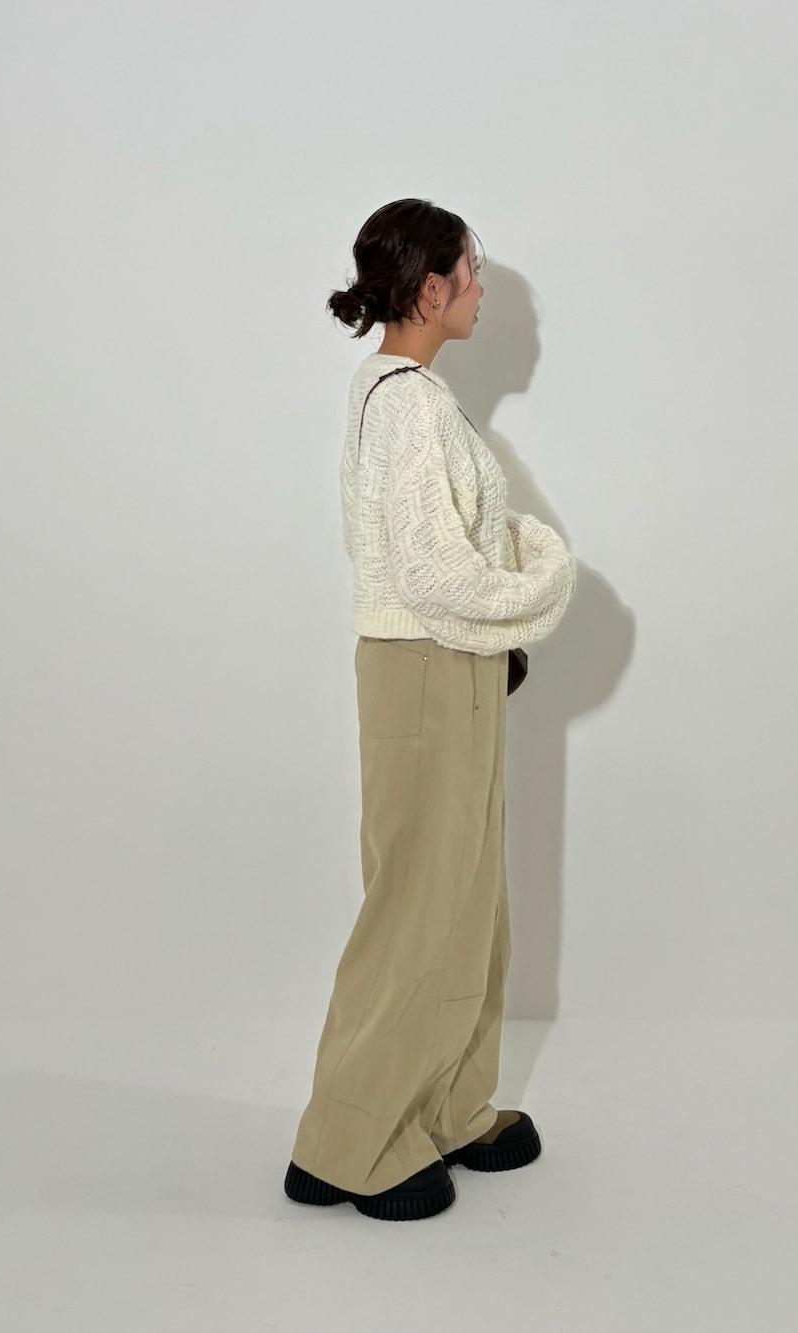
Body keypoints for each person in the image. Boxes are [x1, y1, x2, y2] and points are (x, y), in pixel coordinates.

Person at [283, 198, 577, 1221]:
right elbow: (433, 571)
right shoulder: (405, 402)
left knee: (466, 901)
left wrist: (509, 584)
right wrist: (544, 582)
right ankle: (347, 1144)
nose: (482, 290)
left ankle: (444, 1106)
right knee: (418, 903)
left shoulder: (412, 397)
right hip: (425, 662)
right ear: (427, 287)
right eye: (470, 271)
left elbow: (459, 548)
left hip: (451, 660)